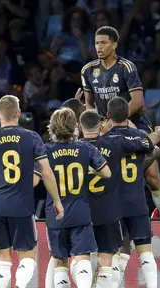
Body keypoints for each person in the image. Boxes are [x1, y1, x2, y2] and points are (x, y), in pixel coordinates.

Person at [0, 95, 64, 288]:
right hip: (23, 206)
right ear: (18, 113)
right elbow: (46, 172)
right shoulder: (33, 137)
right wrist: (57, 200)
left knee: (3, 258)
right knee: (28, 257)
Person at [80, 109, 160, 288]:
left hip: (85, 210)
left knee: (81, 259)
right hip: (113, 208)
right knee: (115, 258)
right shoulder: (114, 143)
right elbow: (149, 145)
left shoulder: (77, 148)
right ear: (101, 124)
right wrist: (159, 133)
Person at [105, 97, 160, 288]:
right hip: (137, 202)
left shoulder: (104, 141)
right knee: (146, 253)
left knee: (117, 253)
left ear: (108, 116)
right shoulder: (140, 138)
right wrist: (159, 132)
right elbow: (154, 148)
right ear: (127, 115)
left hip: (114, 204)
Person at [45, 108, 111, 288]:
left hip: (55, 214)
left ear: (52, 127)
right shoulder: (85, 148)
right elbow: (106, 172)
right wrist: (86, 168)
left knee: (60, 263)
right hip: (80, 211)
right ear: (75, 126)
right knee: (82, 259)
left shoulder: (45, 151)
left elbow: (35, 179)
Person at [81, 25, 152, 133]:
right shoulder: (87, 70)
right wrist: (97, 123)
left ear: (114, 45)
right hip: (104, 126)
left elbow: (138, 101)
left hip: (132, 122)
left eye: (104, 43)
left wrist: (115, 121)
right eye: (97, 43)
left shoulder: (126, 67)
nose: (99, 47)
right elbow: (89, 103)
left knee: (152, 148)